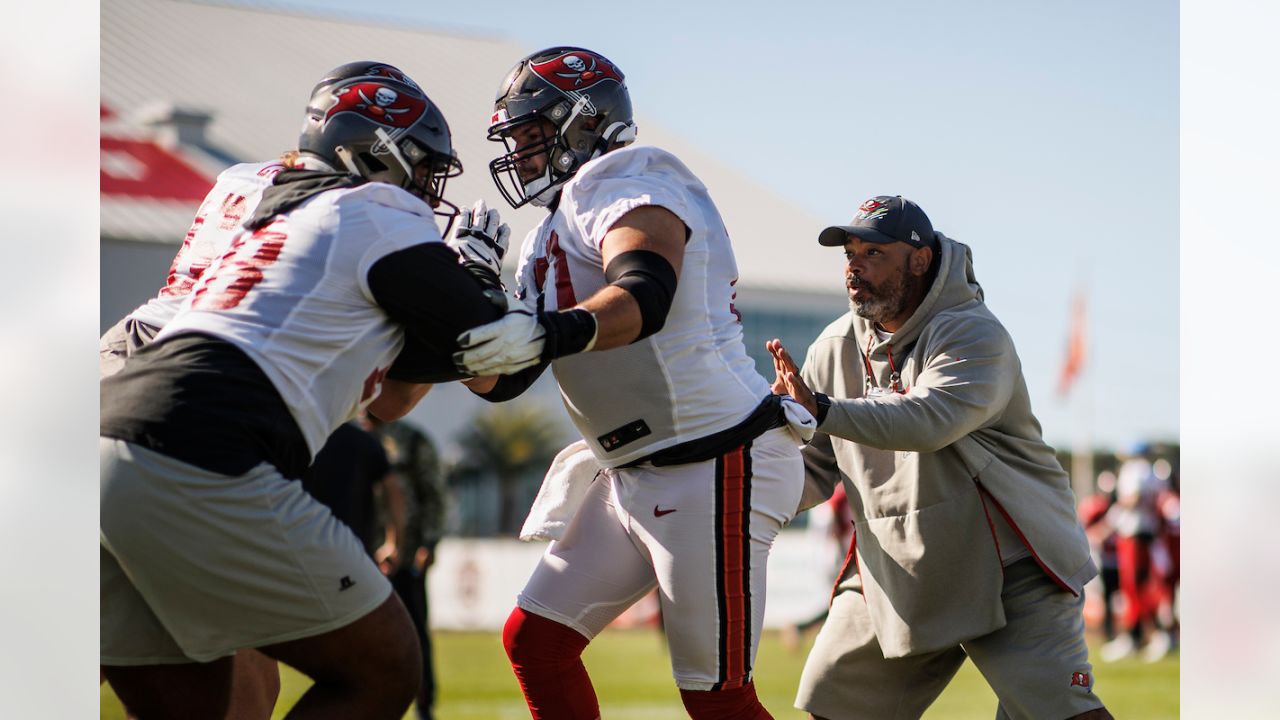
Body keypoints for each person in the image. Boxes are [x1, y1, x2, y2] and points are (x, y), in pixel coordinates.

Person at [99, 63, 508, 719]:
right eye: (422, 166)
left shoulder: (253, 180)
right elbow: (443, 382)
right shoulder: (360, 211)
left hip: (120, 381)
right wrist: (473, 284)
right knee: (364, 667)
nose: (428, 191)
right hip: (195, 408)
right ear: (370, 150)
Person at [453, 46, 811, 720]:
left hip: (717, 457)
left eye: (533, 134)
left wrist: (539, 331)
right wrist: (464, 303)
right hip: (635, 471)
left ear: (583, 123)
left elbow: (644, 294)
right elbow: (501, 381)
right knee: (536, 642)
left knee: (720, 701)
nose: (522, 154)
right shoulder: (543, 239)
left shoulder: (628, 178)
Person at [768, 195, 1112, 720]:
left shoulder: (972, 331)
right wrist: (739, 494)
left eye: (874, 253)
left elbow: (928, 420)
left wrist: (824, 408)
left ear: (920, 259)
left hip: (1012, 566)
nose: (854, 266)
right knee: (833, 708)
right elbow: (813, 464)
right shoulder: (831, 347)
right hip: (899, 567)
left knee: (1061, 716)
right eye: (849, 253)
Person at [366, 416, 448, 720]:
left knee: (413, 633)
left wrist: (429, 541)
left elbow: (433, 493)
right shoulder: (347, 434)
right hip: (359, 554)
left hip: (407, 556)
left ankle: (423, 705)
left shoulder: (410, 439)